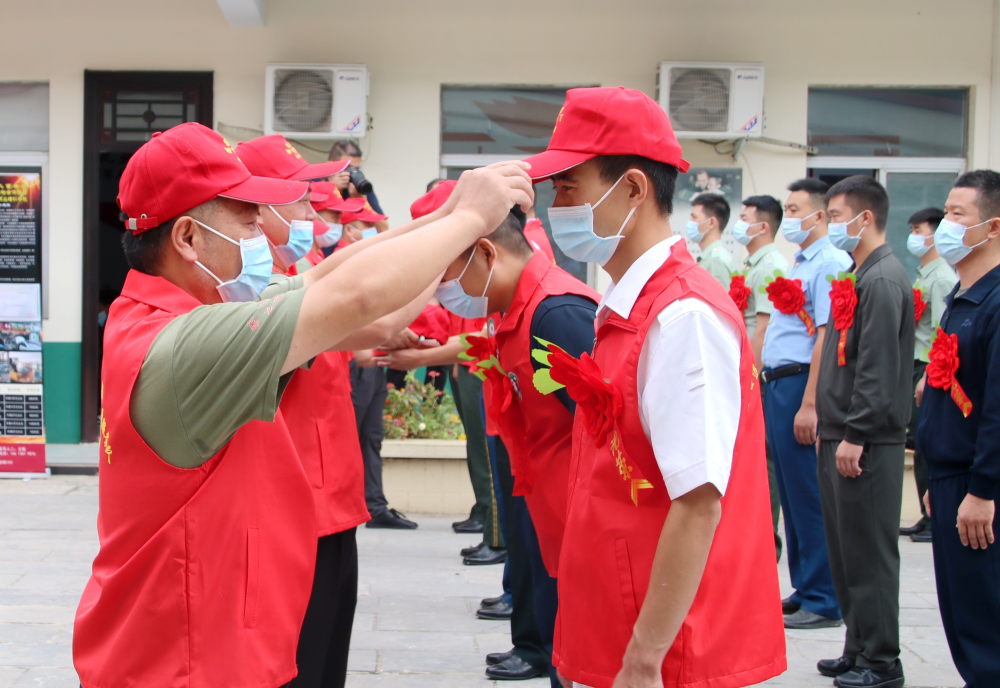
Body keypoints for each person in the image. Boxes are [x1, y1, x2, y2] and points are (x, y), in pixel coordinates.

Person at [72, 122, 533, 688]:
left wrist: (444, 218)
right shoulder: (185, 345)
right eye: (245, 219)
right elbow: (357, 298)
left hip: (210, 640)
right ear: (188, 238)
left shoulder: (185, 315)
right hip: (186, 661)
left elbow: (323, 277)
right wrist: (470, 220)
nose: (261, 231)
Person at [523, 86, 785, 688]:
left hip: (665, 651)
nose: (556, 206)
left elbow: (698, 501)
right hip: (617, 619)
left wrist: (645, 657)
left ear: (634, 189)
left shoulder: (681, 317)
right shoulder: (628, 306)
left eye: (569, 188)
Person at [237, 133, 436, 687]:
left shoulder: (292, 261)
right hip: (302, 497)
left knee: (326, 653)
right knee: (307, 657)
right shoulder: (256, 279)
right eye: (303, 198)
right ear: (262, 204)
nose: (313, 210)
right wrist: (447, 256)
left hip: (327, 489)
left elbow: (360, 264)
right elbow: (377, 317)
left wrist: (444, 225)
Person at [436, 185, 599, 685]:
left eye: (448, 274)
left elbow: (603, 434)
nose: (446, 290)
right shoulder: (519, 308)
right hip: (547, 506)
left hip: (579, 522)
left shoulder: (557, 313)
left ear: (486, 252)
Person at [815, 175, 913, 688]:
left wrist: (856, 434)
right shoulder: (861, 274)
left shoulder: (882, 280)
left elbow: (875, 368)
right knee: (847, 550)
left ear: (865, 218)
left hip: (865, 441)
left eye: (835, 217)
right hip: (840, 432)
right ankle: (858, 647)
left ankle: (882, 660)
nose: (833, 226)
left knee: (871, 554)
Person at [382, 181, 503, 552]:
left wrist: (419, 357)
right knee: (480, 449)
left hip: (484, 367)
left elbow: (480, 340)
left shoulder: (489, 264)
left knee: (490, 451)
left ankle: (495, 533)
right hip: (468, 364)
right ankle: (489, 524)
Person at [915, 170, 1000, 688]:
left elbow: (996, 409)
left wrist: (982, 490)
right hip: (949, 479)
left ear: (992, 228)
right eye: (945, 212)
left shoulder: (994, 304)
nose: (944, 225)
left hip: (977, 486)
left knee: (985, 624)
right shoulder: (961, 298)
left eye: (957, 215)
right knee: (963, 619)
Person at [763, 178, 849, 630]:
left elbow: (827, 335)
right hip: (779, 383)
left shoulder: (831, 262)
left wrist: (811, 404)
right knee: (793, 496)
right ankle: (805, 585)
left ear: (818, 216)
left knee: (809, 493)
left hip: (802, 386)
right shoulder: (801, 260)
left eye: (795, 210)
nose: (789, 218)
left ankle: (825, 597)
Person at [732, 194, 790, 561]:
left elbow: (763, 329)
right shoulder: (755, 263)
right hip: (750, 370)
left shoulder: (770, 266)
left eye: (745, 217)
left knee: (765, 458)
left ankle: (766, 539)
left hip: (759, 375)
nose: (739, 222)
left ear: (763, 226)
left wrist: (748, 379)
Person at [901, 206, 956, 544]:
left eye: (919, 229)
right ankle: (925, 517)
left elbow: (942, 332)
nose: (914, 236)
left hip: (928, 367)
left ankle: (933, 518)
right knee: (917, 443)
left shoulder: (942, 277)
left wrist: (928, 374)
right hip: (916, 366)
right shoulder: (924, 274)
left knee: (925, 441)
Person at [328, 139, 389, 233]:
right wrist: (333, 190)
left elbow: (384, 229)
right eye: (347, 168)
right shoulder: (315, 185)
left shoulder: (359, 185)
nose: (351, 173)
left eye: (356, 169)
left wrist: (363, 202)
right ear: (329, 165)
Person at [687, 192, 737, 287]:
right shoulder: (709, 257)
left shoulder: (716, 261)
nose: (690, 221)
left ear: (711, 222)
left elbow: (720, 301)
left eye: (694, 217)